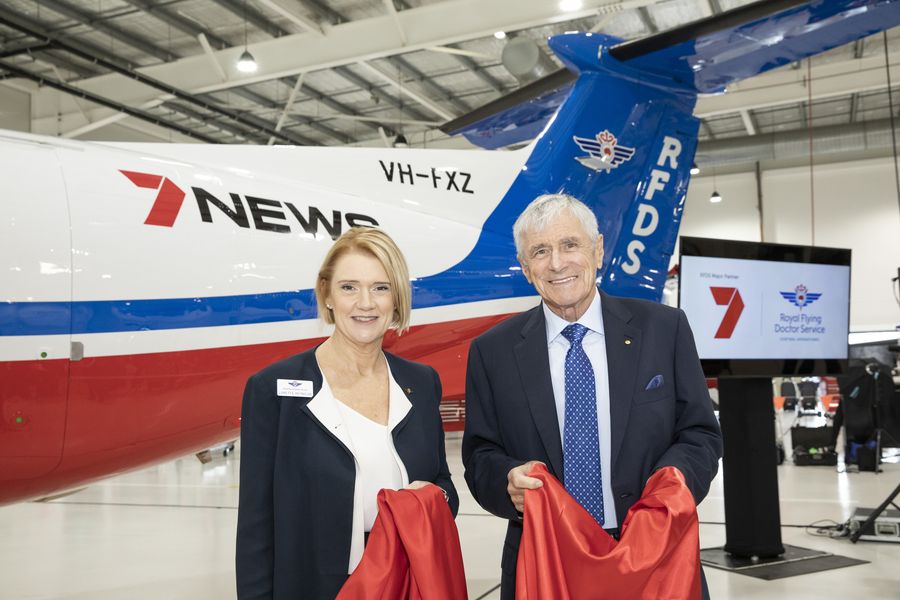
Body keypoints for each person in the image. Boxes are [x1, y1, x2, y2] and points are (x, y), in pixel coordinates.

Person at [462, 194, 722, 599]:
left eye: (570, 244)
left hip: (655, 555)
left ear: (598, 250)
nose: (557, 263)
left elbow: (700, 434)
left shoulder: (663, 328)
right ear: (526, 267)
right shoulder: (491, 351)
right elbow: (480, 455)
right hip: (545, 560)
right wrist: (507, 482)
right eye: (540, 251)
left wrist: (671, 485)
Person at [236, 227, 459, 600]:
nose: (365, 303)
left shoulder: (420, 383)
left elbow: (443, 484)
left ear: (396, 298)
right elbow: (256, 527)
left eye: (380, 287)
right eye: (349, 287)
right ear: (326, 294)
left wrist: (436, 496)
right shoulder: (273, 388)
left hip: (406, 582)